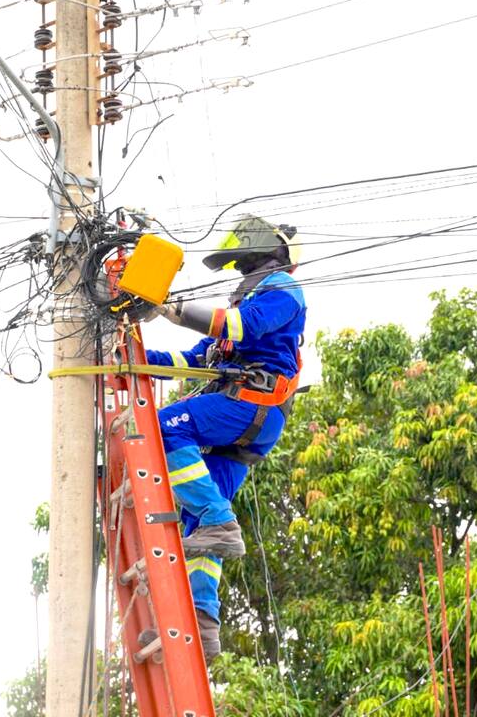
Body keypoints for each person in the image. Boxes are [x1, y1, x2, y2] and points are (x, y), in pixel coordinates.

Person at [145, 215, 306, 662]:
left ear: (259, 254)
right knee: (200, 523)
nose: (237, 274)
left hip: (251, 406)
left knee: (161, 427)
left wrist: (177, 311)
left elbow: (239, 326)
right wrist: (139, 355)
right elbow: (191, 358)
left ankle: (219, 521)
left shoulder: (282, 291)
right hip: (245, 416)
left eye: (240, 265)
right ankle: (204, 621)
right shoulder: (245, 307)